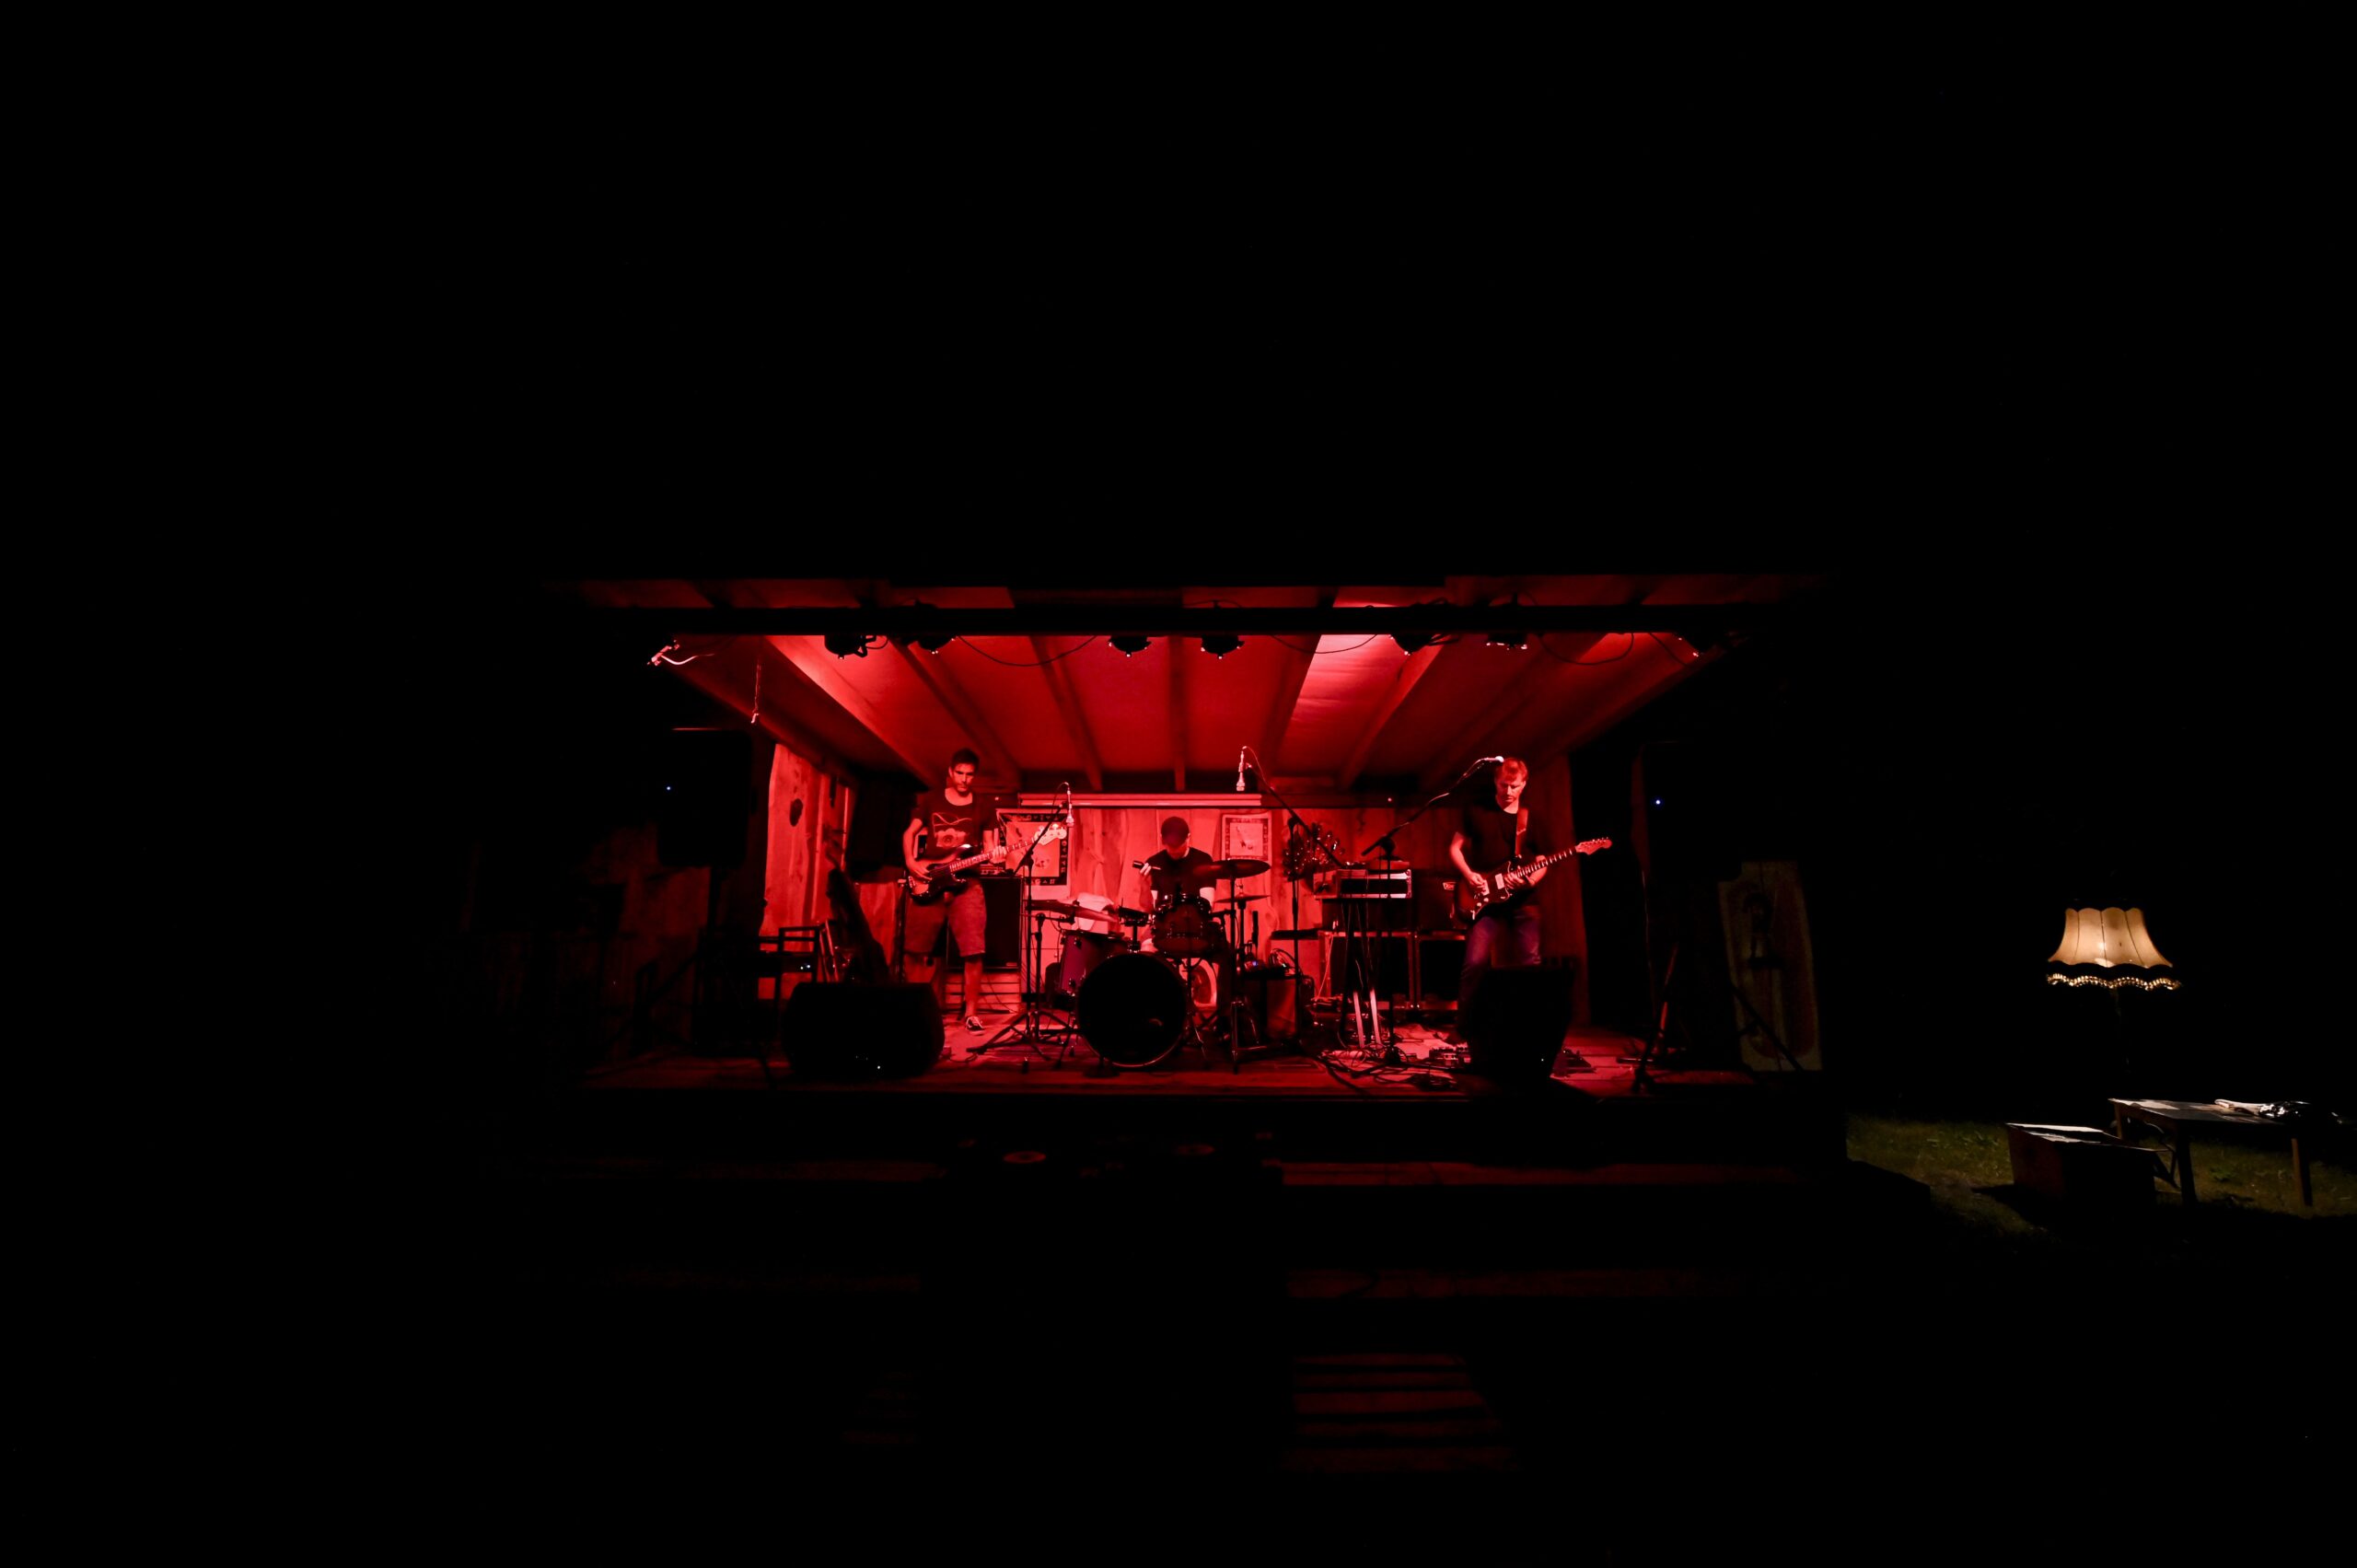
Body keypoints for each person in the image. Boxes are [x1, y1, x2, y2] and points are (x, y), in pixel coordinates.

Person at [902, 748, 1005, 1032]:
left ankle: (971, 1013)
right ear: (950, 771)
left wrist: (996, 856)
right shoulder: (931, 799)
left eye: (969, 774)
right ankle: (917, 1008)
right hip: (930, 878)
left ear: (975, 775)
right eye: (959, 773)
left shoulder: (983, 806)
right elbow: (909, 832)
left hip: (967, 883)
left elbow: (989, 847)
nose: (964, 779)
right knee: (915, 948)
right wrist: (911, 862)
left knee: (974, 949)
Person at [1448, 756, 1551, 1022]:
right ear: (1495, 781)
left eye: (1514, 786)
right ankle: (1465, 1025)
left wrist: (1530, 881)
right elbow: (1454, 849)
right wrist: (1469, 875)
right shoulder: (1476, 811)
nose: (1508, 791)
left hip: (1524, 900)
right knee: (1475, 963)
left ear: (1524, 784)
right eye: (1504, 785)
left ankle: (1534, 1025)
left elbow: (1543, 861)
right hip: (1485, 899)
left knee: (1531, 963)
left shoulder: (1531, 818)